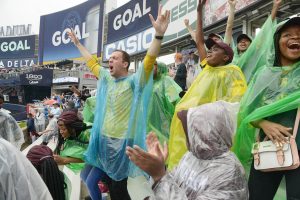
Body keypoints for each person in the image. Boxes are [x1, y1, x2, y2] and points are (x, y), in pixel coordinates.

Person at [68, 5, 170, 200]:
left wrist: (158, 36)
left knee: (118, 187)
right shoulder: (106, 79)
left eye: (115, 58)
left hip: (122, 142)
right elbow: (92, 62)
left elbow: (148, 61)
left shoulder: (134, 82)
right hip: (103, 139)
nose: (110, 61)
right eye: (110, 58)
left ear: (125, 63)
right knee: (88, 177)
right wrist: (76, 43)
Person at [167, 0, 247, 169]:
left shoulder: (232, 72)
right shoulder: (206, 67)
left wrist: (231, 11)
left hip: (216, 131)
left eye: (216, 49)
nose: (209, 51)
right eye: (209, 49)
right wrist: (198, 12)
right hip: (193, 126)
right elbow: (199, 41)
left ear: (226, 57)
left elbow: (237, 104)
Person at [233, 17, 300, 200]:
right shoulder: (264, 75)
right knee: (257, 195)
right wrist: (264, 124)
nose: (296, 38)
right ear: (277, 42)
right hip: (268, 148)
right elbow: (247, 112)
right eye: (288, 35)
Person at [126, 101, 248, 199]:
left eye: (192, 130)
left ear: (207, 133)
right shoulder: (191, 156)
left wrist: (159, 176)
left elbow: (164, 183)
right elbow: (173, 182)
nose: (188, 135)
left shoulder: (230, 174)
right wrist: (160, 168)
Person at [147, 61, 182, 143]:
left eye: (153, 65)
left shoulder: (166, 81)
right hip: (151, 124)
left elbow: (176, 100)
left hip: (164, 123)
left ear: (160, 67)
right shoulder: (149, 84)